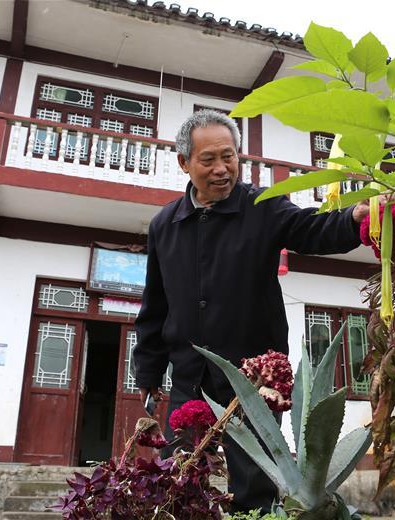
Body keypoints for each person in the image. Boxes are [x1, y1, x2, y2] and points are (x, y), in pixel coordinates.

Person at [133, 110, 368, 513]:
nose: (222, 169)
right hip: (190, 377)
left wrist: (352, 220)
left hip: (253, 382)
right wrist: (149, 372)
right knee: (181, 484)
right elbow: (155, 304)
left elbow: (311, 229)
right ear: (184, 163)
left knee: (253, 489)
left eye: (230, 157)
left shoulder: (263, 206)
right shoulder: (165, 225)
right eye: (208, 160)